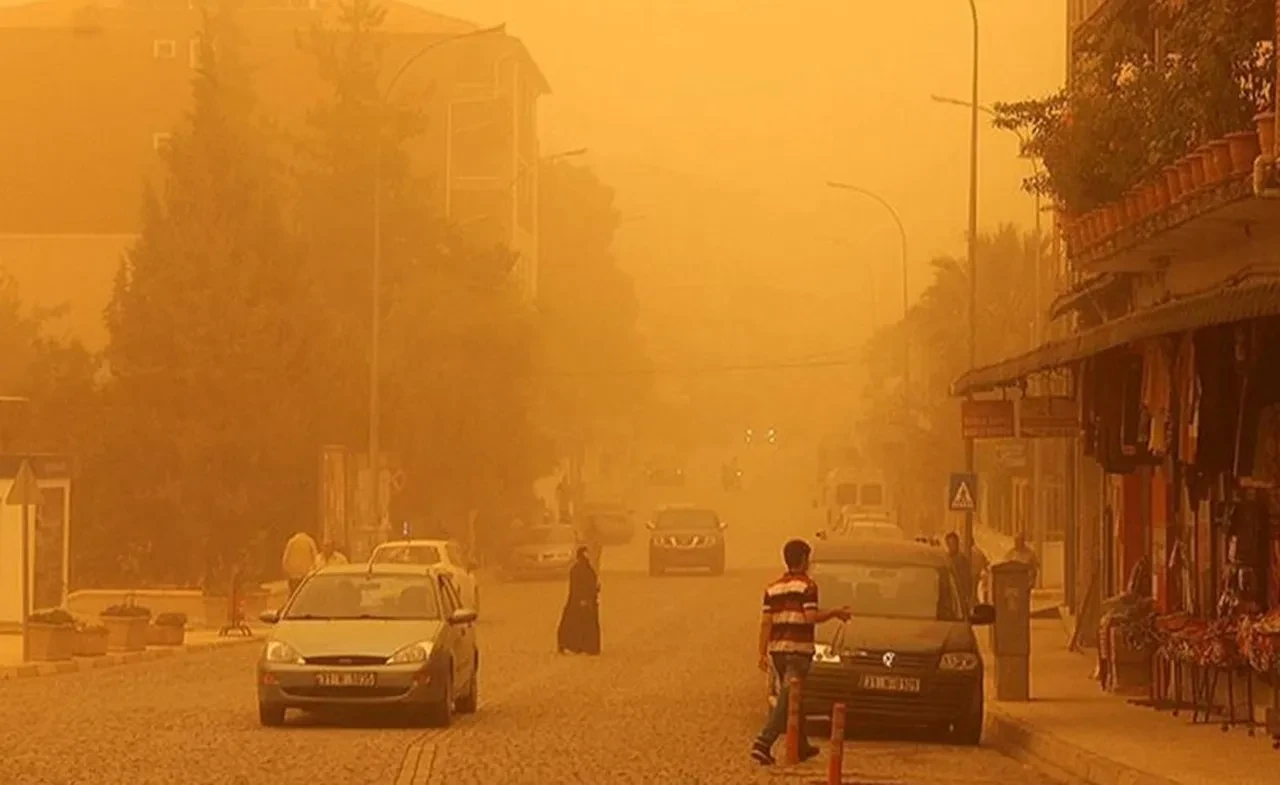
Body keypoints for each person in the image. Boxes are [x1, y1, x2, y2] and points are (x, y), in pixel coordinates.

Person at [751, 538, 852, 766]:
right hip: (798, 651)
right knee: (788, 698)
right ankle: (763, 742)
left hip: (777, 651)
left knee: (795, 698)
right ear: (804, 560)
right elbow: (810, 617)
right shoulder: (808, 586)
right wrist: (836, 613)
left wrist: (761, 652)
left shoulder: (772, 588)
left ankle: (801, 745)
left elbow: (766, 622)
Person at [557, 547, 602, 655]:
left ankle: (586, 647)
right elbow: (577, 586)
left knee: (585, 625)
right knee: (576, 624)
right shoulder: (577, 569)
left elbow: (590, 583)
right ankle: (574, 645)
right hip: (579, 601)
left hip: (587, 601)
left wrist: (595, 589)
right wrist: (582, 599)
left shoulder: (587, 568)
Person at [281, 530, 319, 596]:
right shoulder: (309, 541)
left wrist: (286, 570)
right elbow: (315, 557)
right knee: (305, 595)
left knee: (294, 595)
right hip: (306, 575)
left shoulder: (291, 541)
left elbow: (285, 558)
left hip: (293, 575)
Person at [944, 532, 973, 610]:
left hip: (960, 598)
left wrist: (966, 597)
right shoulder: (945, 560)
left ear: (957, 543)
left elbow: (967, 580)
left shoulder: (962, 561)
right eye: (949, 544)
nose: (952, 546)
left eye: (953, 543)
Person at [969, 535, 991, 603]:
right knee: (974, 591)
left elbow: (985, 562)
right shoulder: (978, 550)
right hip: (976, 574)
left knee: (973, 591)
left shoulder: (972, 550)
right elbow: (985, 562)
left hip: (973, 574)